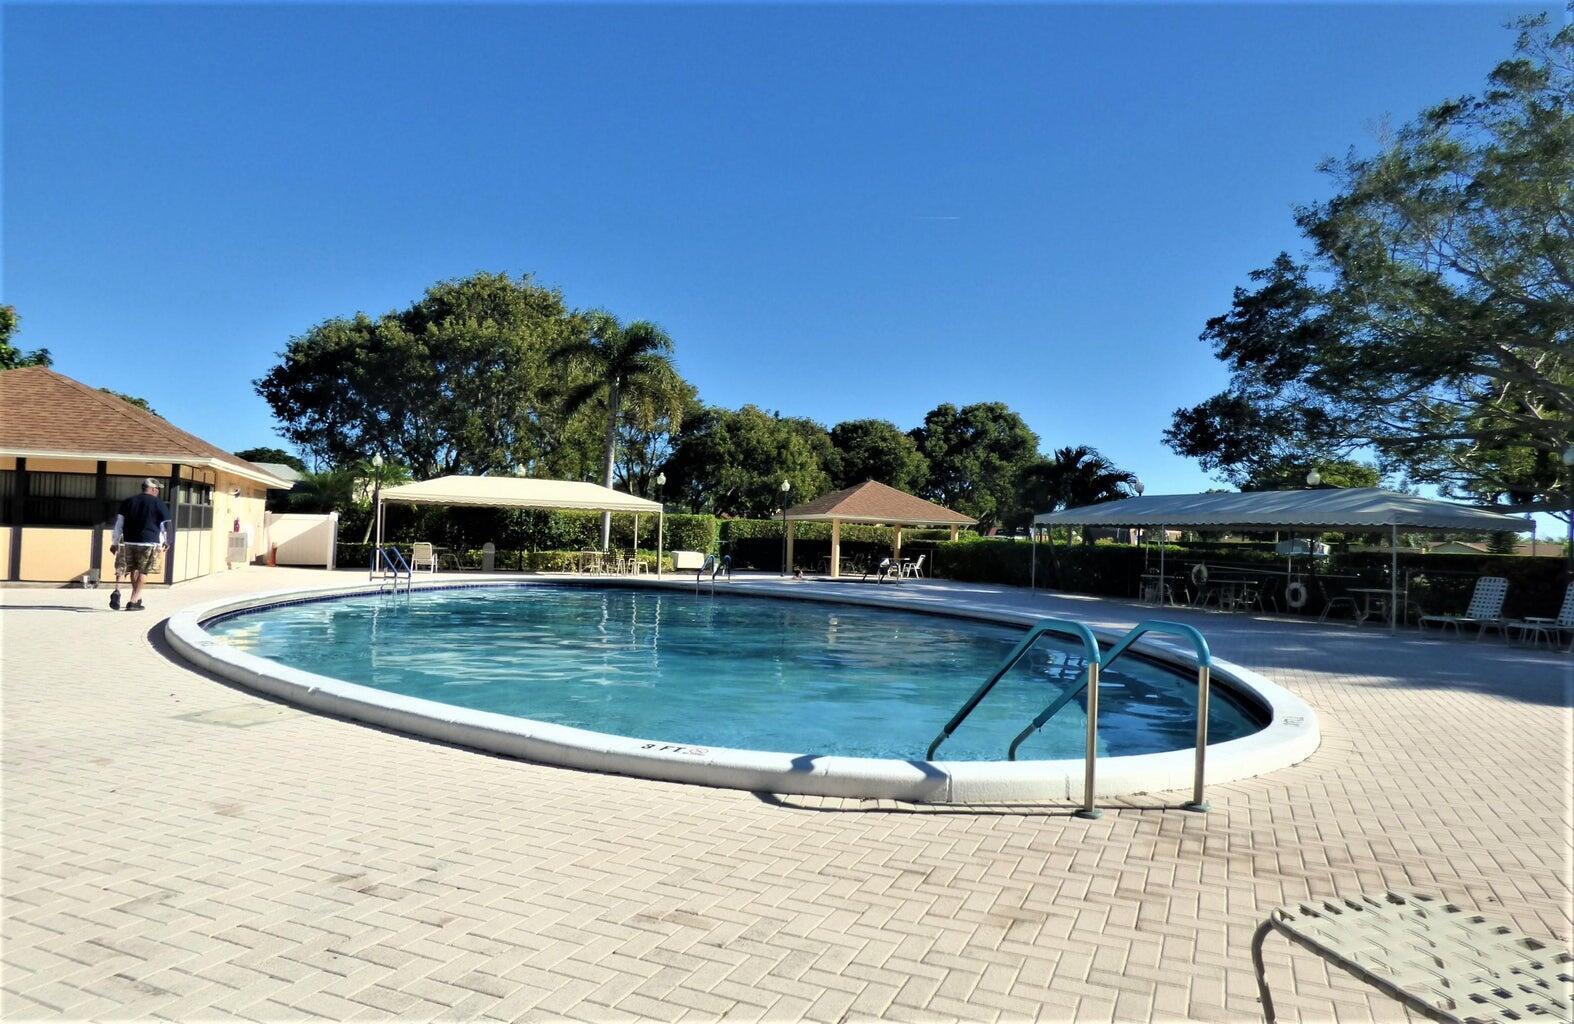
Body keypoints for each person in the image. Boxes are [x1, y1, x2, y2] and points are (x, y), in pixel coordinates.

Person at [110, 478, 171, 611]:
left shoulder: (128, 502)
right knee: (144, 571)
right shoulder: (158, 503)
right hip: (149, 542)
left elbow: (119, 524)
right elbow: (164, 525)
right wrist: (167, 541)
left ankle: (136, 599)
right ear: (154, 489)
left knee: (133, 569)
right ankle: (133, 601)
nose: (158, 491)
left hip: (129, 541)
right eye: (158, 489)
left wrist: (115, 542)